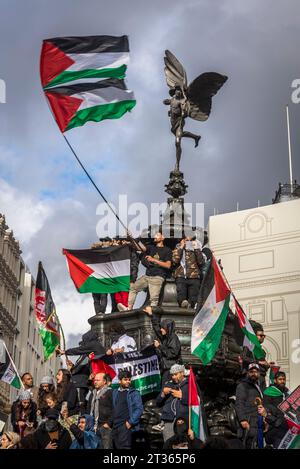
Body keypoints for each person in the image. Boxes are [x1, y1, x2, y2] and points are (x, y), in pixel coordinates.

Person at [118, 232, 172, 314]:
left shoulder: (167, 250)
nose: (155, 236)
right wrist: (132, 238)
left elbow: (168, 265)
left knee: (154, 299)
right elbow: (140, 248)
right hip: (147, 276)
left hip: (157, 277)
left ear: (163, 237)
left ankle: (153, 315)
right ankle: (129, 308)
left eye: (157, 235)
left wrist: (154, 260)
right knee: (133, 288)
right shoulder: (151, 247)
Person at [145, 310, 181, 385]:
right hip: (166, 368)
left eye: (163, 328)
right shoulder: (165, 337)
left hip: (171, 370)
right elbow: (157, 328)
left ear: (168, 328)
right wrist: (151, 315)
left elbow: (172, 353)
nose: (161, 329)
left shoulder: (173, 338)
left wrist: (160, 347)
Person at [156, 364, 189, 442]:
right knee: (169, 442)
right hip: (168, 419)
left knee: (181, 443)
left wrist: (182, 396)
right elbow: (158, 402)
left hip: (182, 419)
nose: (173, 377)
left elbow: (195, 401)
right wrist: (163, 393)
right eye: (172, 375)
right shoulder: (168, 384)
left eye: (176, 374)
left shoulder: (188, 385)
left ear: (182, 373)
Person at [112, 370, 144, 449]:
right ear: (120, 381)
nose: (128, 381)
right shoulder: (115, 392)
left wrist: (130, 422)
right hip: (115, 426)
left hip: (125, 426)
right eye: (125, 379)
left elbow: (139, 409)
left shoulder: (134, 393)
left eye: (129, 379)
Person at [235, 363, 264, 449]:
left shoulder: (258, 386)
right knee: (249, 445)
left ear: (259, 373)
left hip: (258, 422)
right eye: (251, 371)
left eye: (256, 372)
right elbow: (239, 403)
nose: (254, 374)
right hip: (249, 422)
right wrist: (243, 420)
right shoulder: (242, 385)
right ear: (248, 373)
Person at [172, 236, 204, 308]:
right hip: (181, 276)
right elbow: (175, 260)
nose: (188, 242)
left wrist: (196, 249)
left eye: (190, 240)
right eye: (186, 240)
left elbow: (201, 262)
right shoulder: (177, 248)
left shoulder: (197, 249)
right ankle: (183, 305)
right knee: (181, 296)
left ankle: (192, 307)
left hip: (194, 276)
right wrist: (181, 247)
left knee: (194, 298)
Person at [262, 371, 290, 448]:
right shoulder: (268, 392)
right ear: (275, 380)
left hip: (287, 427)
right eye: (280, 379)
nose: (282, 381)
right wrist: (277, 422)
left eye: (284, 379)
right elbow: (266, 411)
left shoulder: (286, 392)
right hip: (275, 429)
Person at [87, 372, 113, 449]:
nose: (95, 382)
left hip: (105, 427)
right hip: (93, 427)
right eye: (94, 380)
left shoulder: (110, 392)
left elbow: (115, 409)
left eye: (98, 380)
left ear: (104, 381)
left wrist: (108, 423)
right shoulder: (93, 393)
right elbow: (88, 408)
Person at [241, 322, 269, 390]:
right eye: (260, 335)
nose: (263, 337)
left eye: (263, 336)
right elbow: (244, 358)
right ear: (254, 336)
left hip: (261, 376)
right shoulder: (249, 346)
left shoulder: (262, 351)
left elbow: (262, 364)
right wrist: (258, 362)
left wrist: (267, 365)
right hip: (252, 378)